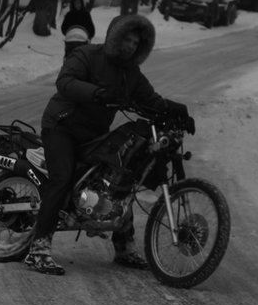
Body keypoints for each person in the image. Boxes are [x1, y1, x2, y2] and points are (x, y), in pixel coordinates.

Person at [24, 14, 193, 276]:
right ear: (114, 36)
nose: (129, 46)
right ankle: (39, 248)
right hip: (62, 127)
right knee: (61, 178)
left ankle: (123, 246)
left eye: (135, 42)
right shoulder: (86, 55)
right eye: (126, 39)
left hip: (94, 134)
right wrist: (98, 94)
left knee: (121, 177)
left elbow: (151, 101)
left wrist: (176, 112)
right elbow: (65, 82)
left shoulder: (131, 74)